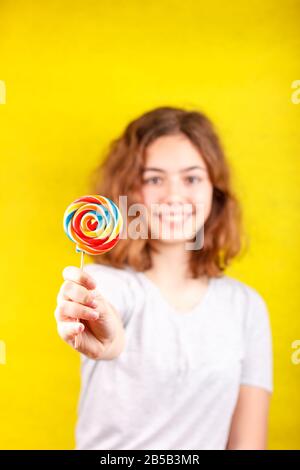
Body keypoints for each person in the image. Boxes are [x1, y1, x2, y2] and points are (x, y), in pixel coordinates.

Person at [55, 106, 273, 450]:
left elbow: (248, 444)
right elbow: (108, 327)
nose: (173, 196)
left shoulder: (246, 307)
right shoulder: (103, 284)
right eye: (154, 179)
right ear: (130, 192)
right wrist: (105, 335)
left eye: (191, 178)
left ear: (214, 192)